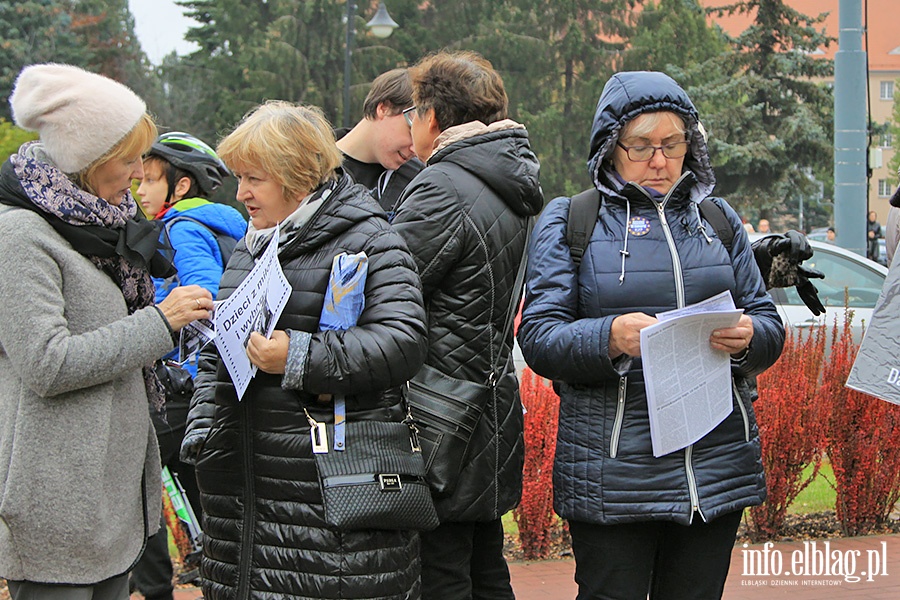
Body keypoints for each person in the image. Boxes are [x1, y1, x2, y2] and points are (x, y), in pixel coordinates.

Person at [517, 71, 785, 600]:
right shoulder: (573, 220)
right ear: (610, 149)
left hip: (713, 470)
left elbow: (768, 321)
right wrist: (610, 337)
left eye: (672, 144)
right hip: (615, 475)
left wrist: (751, 336)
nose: (659, 161)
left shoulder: (717, 219)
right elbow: (540, 337)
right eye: (641, 146)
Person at [179, 100, 428, 599]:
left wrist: (297, 356)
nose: (242, 193)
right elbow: (219, 354)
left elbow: (403, 343)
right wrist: (204, 430)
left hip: (329, 498)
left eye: (255, 179)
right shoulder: (250, 246)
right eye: (240, 177)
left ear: (296, 178)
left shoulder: (372, 241)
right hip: (244, 497)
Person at [0, 63, 212, 600]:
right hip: (57, 509)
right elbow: (47, 363)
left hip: (109, 505)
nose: (141, 172)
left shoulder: (102, 224)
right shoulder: (22, 235)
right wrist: (159, 323)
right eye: (128, 158)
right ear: (84, 158)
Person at [391, 51, 544, 600]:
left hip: (438, 413)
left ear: (433, 116)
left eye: (412, 112)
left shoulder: (443, 186)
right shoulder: (509, 180)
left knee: (441, 570)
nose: (410, 125)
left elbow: (386, 291)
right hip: (489, 404)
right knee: (483, 563)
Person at [130, 132, 247, 600]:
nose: (140, 189)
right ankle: (215, 567)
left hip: (182, 382)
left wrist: (158, 323)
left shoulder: (179, 226)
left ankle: (155, 587)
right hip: (216, 382)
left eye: (151, 181)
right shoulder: (229, 224)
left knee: (136, 480)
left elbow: (203, 291)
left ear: (179, 187)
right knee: (203, 483)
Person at [335, 68, 424, 219]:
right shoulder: (309, 166)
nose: (414, 149)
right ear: (383, 108)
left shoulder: (418, 181)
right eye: (410, 132)